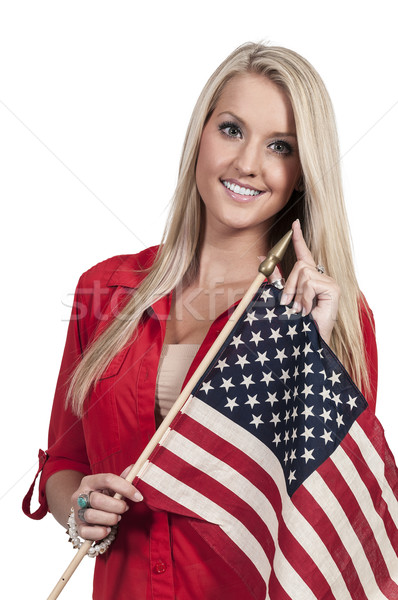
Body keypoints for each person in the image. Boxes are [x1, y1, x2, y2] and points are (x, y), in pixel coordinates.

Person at [23, 42, 378, 599]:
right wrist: (80, 508)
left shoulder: (331, 314)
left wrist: (313, 346)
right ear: (200, 137)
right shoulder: (106, 290)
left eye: (280, 146)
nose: (247, 164)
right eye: (232, 130)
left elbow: (334, 515)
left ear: (304, 173)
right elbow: (65, 462)